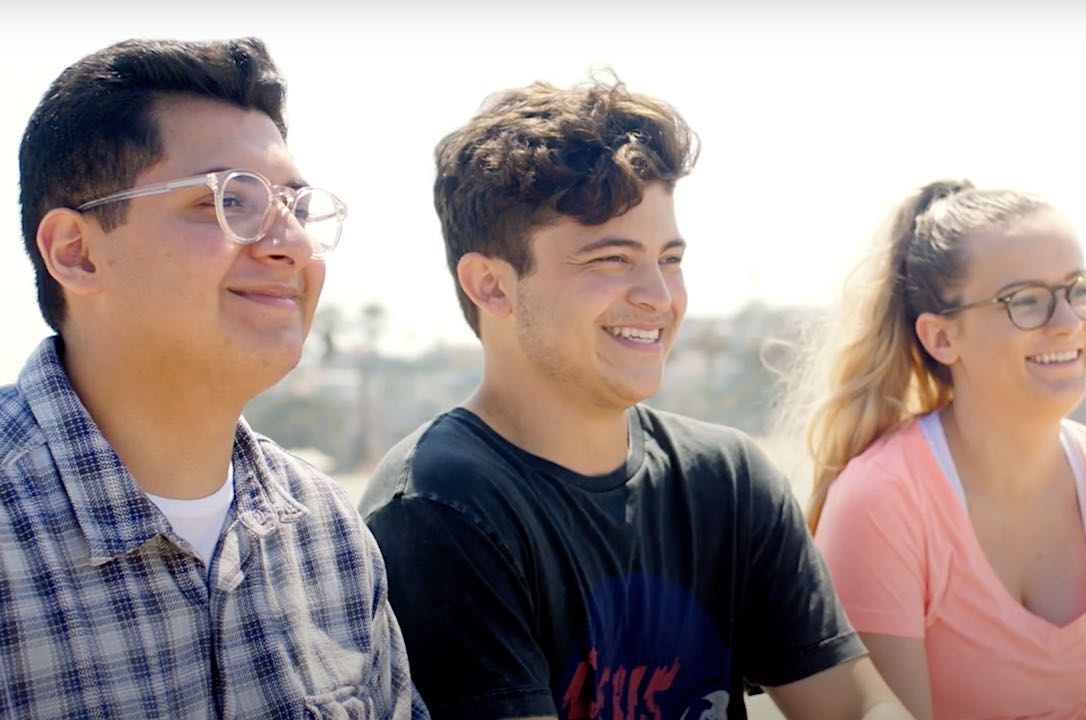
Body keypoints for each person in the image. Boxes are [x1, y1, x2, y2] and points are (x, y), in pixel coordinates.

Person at [358, 75, 911, 720]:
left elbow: (854, 704)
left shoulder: (727, 478)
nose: (659, 296)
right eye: (612, 260)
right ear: (491, 285)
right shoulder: (439, 511)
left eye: (669, 259)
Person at [1, 37, 427, 719]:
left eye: (296, 207)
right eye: (228, 201)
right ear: (76, 253)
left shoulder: (329, 533)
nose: (292, 244)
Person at [793, 180, 1086, 719]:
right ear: (941, 338)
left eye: (1077, 290)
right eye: (1025, 301)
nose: (1068, 323)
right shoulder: (883, 502)